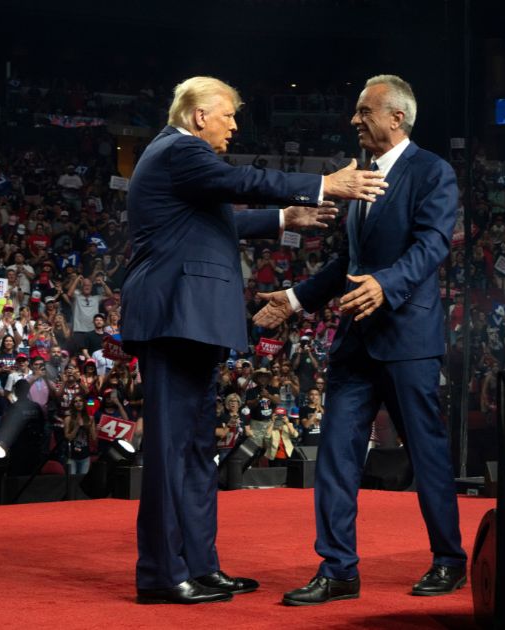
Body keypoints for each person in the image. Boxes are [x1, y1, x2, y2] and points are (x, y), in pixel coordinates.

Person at [117, 75, 386, 605]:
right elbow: (243, 181)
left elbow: (218, 222)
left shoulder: (186, 167)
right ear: (198, 116)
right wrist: (322, 184)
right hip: (174, 317)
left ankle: (199, 565)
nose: (234, 126)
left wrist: (287, 217)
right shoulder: (178, 152)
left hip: (195, 321)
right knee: (172, 453)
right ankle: (161, 575)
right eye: (227, 116)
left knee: (197, 452)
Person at [256, 75, 467, 605]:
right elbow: (347, 263)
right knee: (335, 455)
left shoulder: (432, 172)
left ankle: (449, 560)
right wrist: (296, 299)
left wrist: (387, 284)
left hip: (408, 340)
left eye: (363, 111)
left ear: (396, 117)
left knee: (428, 455)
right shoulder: (362, 177)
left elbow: (432, 245)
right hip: (354, 343)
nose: (353, 120)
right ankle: (339, 569)